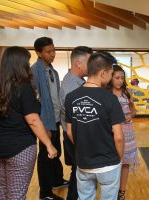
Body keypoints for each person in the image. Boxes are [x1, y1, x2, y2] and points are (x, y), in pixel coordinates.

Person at [0, 46, 57, 200]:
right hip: (20, 148)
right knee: (16, 194)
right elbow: (33, 120)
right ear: (20, 63)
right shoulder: (24, 86)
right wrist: (49, 145)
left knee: (3, 188)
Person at [65, 51, 125, 200]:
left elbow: (70, 133)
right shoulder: (110, 99)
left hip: (83, 163)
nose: (111, 77)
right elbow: (118, 137)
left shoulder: (71, 97)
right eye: (111, 73)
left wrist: (83, 150)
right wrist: (119, 158)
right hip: (108, 163)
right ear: (104, 73)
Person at [31, 37, 67, 200]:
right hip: (44, 121)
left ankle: (57, 180)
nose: (53, 54)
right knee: (46, 155)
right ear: (39, 53)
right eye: (48, 51)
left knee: (55, 151)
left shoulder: (53, 71)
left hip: (55, 119)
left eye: (54, 50)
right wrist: (44, 125)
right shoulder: (34, 72)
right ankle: (45, 193)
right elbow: (35, 101)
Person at [59, 46, 93, 200]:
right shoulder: (72, 86)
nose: (92, 66)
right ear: (78, 63)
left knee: (78, 172)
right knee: (80, 173)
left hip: (74, 135)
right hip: (75, 136)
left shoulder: (75, 81)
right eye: (89, 61)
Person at [108, 64, 139, 200]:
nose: (120, 81)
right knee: (114, 163)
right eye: (117, 78)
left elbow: (134, 110)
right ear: (110, 78)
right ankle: (112, 192)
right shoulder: (106, 94)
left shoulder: (126, 92)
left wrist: (130, 115)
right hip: (113, 132)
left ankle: (122, 192)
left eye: (122, 78)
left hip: (128, 132)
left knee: (125, 163)